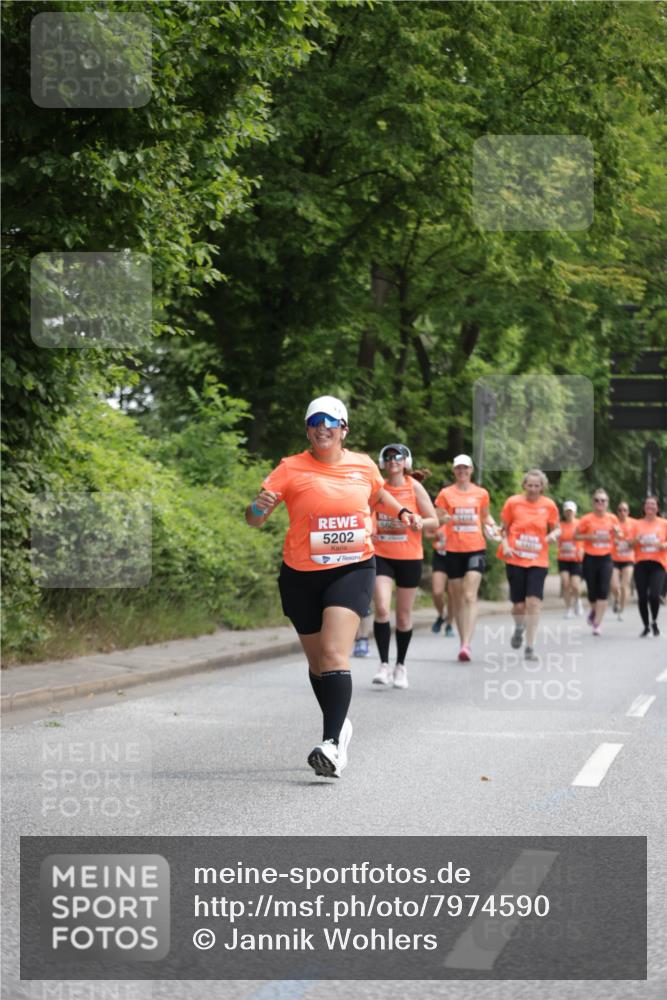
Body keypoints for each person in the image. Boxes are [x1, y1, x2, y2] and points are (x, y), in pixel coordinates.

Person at [245, 396, 422, 778]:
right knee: (316, 663)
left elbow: (378, 494)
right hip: (300, 573)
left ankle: (332, 746)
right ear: (308, 430)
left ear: (344, 429)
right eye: (313, 422)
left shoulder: (363, 464)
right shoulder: (290, 467)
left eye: (329, 421)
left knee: (333, 653)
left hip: (354, 567)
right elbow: (255, 519)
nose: (321, 427)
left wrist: (403, 512)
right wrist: (258, 507)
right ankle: (339, 726)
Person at [371, 444, 437, 688]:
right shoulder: (379, 488)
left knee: (403, 615)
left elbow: (434, 520)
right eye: (388, 457)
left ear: (406, 461)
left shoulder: (414, 487)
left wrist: (420, 520)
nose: (393, 461)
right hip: (382, 555)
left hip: (409, 557)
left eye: (397, 457)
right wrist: (371, 528)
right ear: (382, 462)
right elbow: (367, 513)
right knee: (381, 608)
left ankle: (401, 665)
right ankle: (383, 665)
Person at [435, 455, 500, 662]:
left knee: (470, 594)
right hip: (453, 549)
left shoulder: (481, 493)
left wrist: (493, 526)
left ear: (471, 470)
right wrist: (444, 519)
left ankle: (467, 645)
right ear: (454, 471)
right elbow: (438, 516)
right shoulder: (446, 494)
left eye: (465, 468)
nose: (462, 471)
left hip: (475, 548)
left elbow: (485, 516)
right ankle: (462, 641)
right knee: (457, 596)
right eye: (458, 468)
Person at [499, 470, 560, 660]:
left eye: (537, 486)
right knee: (518, 606)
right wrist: (506, 545)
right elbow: (502, 529)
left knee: (533, 603)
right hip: (515, 558)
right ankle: (519, 627)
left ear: (542, 487)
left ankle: (530, 647)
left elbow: (557, 529)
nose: (533, 489)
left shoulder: (549, 505)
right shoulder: (513, 502)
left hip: (538, 560)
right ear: (524, 485)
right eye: (530, 485)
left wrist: (552, 535)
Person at [575, 489, 621, 636]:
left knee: (603, 592)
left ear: (607, 503)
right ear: (593, 502)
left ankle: (597, 624)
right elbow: (575, 536)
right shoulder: (586, 519)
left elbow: (619, 536)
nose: (600, 503)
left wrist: (617, 532)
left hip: (606, 558)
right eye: (597, 500)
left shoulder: (612, 518)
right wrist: (589, 537)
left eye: (603, 500)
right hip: (590, 558)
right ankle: (594, 610)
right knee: (592, 592)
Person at [631, 495, 667, 636]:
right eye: (647, 505)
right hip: (640, 563)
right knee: (642, 597)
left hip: (658, 564)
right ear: (644, 508)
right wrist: (637, 540)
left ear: (657, 508)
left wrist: (664, 544)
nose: (650, 507)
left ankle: (654, 622)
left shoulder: (664, 523)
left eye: (653, 505)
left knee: (654, 595)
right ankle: (646, 625)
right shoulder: (637, 524)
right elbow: (630, 544)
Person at [426, 524, 455, 636]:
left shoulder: (458, 509)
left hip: (456, 556)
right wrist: (435, 534)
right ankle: (442, 615)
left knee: (453, 593)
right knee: (437, 592)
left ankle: (449, 624)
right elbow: (427, 534)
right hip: (440, 556)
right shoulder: (437, 512)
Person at [610, 501, 637, 621]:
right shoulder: (612, 523)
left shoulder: (634, 523)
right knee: (614, 586)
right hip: (614, 558)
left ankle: (621, 610)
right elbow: (604, 537)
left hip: (628, 558)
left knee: (624, 585)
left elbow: (640, 538)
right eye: (620, 510)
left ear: (628, 512)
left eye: (625, 510)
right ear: (617, 512)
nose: (622, 512)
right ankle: (616, 598)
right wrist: (613, 540)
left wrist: (630, 543)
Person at [557, 501, 584, 618]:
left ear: (575, 512)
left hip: (576, 558)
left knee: (576, 586)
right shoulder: (559, 525)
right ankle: (568, 609)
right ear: (564, 512)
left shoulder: (580, 524)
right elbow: (556, 538)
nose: (569, 513)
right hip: (563, 558)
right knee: (565, 583)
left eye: (571, 511)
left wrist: (582, 549)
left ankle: (577, 601)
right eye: (567, 511)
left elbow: (584, 539)